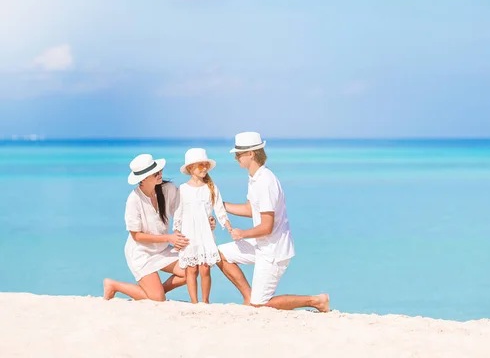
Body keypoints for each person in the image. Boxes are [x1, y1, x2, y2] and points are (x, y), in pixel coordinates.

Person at [217, 132, 330, 312]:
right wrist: (220, 206)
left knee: (261, 305)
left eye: (238, 154)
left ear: (251, 154)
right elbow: (250, 209)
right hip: (261, 245)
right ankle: (249, 297)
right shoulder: (254, 177)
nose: (235, 157)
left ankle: (316, 300)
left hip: (274, 251)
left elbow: (267, 226)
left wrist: (243, 233)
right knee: (219, 254)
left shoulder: (265, 182)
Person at [103, 153, 214, 301]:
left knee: (191, 269)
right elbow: (136, 235)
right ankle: (113, 285)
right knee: (157, 299)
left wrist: (206, 222)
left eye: (159, 170)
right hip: (141, 254)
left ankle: (156, 292)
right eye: (156, 173)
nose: (160, 174)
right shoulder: (134, 200)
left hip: (162, 250)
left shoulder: (168, 189)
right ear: (143, 179)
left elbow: (184, 212)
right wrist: (169, 237)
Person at [173, 148, 232, 304]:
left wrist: (228, 226)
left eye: (206, 165)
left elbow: (219, 208)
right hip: (188, 234)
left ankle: (205, 301)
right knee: (191, 269)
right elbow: (178, 213)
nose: (204, 168)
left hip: (205, 233)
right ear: (191, 168)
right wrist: (176, 234)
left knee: (205, 268)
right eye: (200, 165)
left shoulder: (210, 188)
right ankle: (194, 301)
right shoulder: (183, 189)